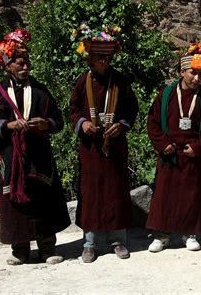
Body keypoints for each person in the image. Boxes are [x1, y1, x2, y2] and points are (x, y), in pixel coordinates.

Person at [0, 28, 71, 265]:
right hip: (9, 157)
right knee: (14, 203)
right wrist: (7, 125)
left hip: (37, 157)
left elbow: (58, 120)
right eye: (19, 63)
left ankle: (47, 248)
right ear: (8, 65)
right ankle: (20, 250)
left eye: (26, 62)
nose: (24, 67)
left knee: (42, 200)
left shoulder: (40, 91)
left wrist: (45, 123)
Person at [69, 24, 138, 263]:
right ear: (90, 58)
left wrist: (121, 124)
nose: (104, 62)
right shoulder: (82, 82)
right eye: (100, 58)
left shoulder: (120, 82)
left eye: (107, 58)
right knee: (91, 194)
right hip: (90, 149)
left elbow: (131, 109)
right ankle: (89, 243)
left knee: (115, 192)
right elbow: (73, 110)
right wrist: (82, 123)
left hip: (114, 147)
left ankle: (118, 240)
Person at [146, 43, 201, 252]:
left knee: (192, 195)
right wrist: (163, 144)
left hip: (192, 155)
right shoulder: (165, 96)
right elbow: (152, 122)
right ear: (182, 71)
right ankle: (162, 234)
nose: (197, 78)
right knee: (164, 195)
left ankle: (190, 233)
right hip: (169, 153)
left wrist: (197, 147)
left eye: (200, 74)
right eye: (193, 73)